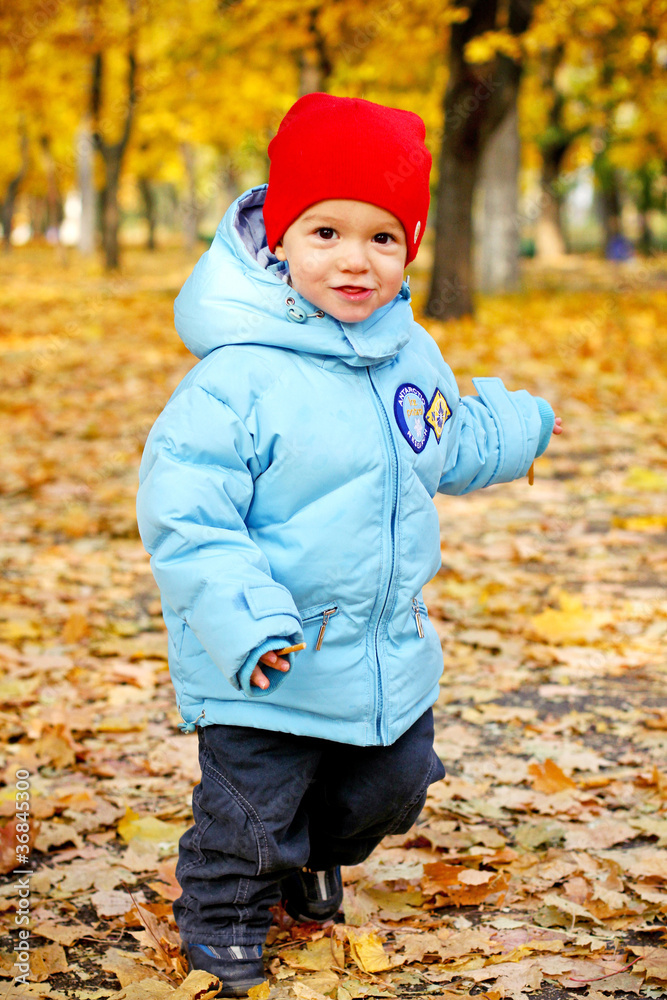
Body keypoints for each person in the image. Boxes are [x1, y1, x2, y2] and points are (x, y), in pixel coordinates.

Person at [136, 93, 563, 996]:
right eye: (325, 232)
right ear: (277, 240)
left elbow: (440, 442)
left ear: (408, 246)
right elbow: (189, 515)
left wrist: (515, 429)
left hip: (379, 649)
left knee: (394, 786)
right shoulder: (235, 375)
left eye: (381, 237)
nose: (354, 260)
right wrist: (245, 622)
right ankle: (221, 918)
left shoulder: (409, 354)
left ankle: (307, 856)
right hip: (265, 654)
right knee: (250, 810)